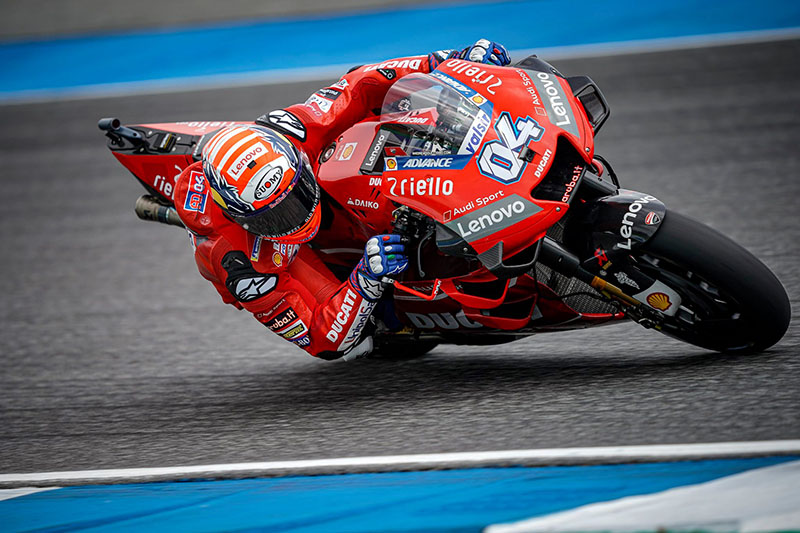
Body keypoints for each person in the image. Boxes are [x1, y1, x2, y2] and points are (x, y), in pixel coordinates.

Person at [172, 39, 511, 360]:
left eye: (296, 196)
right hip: (281, 257)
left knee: (385, 114)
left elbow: (359, 83)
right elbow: (322, 340)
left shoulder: (293, 130)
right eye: (275, 216)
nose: (296, 217)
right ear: (242, 217)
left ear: (295, 160)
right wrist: (364, 279)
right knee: (362, 337)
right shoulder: (243, 267)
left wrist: (446, 61)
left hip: (318, 183)